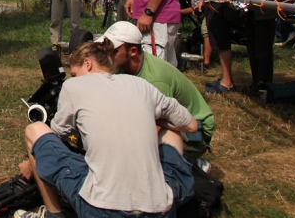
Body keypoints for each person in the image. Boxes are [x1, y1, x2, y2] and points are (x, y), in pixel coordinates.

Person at [15, 38, 196, 218]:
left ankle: (53, 215)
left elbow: (57, 133)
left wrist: (32, 162)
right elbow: (191, 125)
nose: (73, 78)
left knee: (35, 130)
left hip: (102, 209)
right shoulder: (141, 85)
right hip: (159, 209)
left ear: (88, 64)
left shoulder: (73, 86)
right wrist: (149, 115)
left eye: (75, 74)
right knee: (171, 133)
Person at [102, 21, 215, 159]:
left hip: (196, 130)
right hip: (170, 121)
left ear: (133, 51)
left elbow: (156, 125)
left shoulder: (155, 80)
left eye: (113, 51)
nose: (106, 54)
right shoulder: (124, 67)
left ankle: (190, 162)